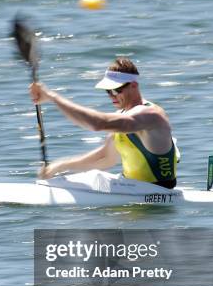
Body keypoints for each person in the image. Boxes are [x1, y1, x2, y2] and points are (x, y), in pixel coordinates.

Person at [29, 57, 177, 189]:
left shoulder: (151, 116)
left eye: (116, 90)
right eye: (108, 91)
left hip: (158, 193)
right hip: (133, 189)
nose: (112, 96)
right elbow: (105, 159)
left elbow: (97, 124)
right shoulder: (122, 116)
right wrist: (58, 167)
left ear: (134, 85)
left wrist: (52, 97)